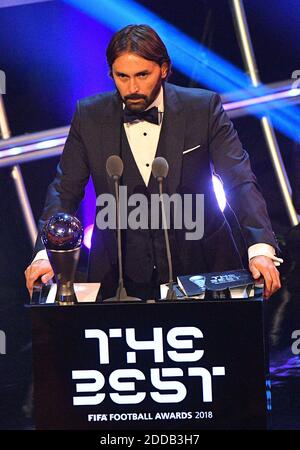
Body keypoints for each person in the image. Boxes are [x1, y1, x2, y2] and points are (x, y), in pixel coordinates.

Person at [25, 24, 282, 300]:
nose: (132, 87)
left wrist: (260, 248)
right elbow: (64, 189)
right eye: (122, 76)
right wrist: (45, 253)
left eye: (142, 75)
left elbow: (239, 179)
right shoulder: (89, 116)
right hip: (118, 274)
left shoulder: (203, 108)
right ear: (111, 73)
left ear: (163, 69)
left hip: (203, 267)